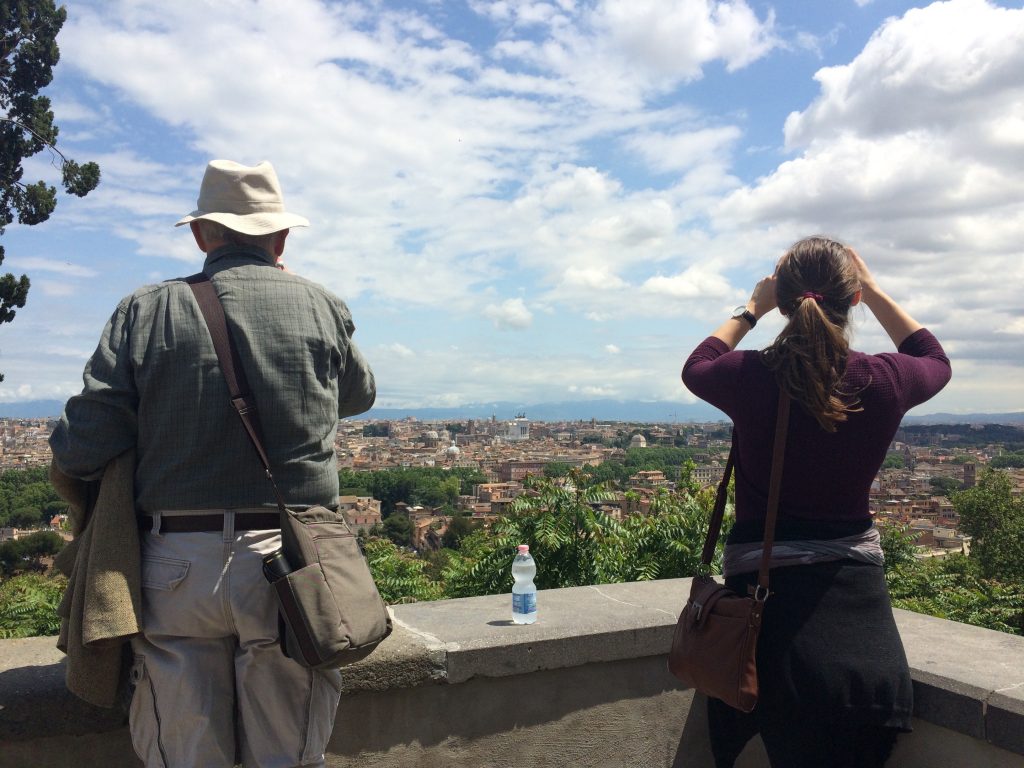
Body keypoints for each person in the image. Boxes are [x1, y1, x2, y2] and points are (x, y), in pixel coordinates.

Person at [49, 159, 376, 768]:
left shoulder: (145, 311)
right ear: (281, 239)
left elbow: (81, 445)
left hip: (175, 562)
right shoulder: (321, 304)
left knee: (184, 750)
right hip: (293, 560)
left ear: (202, 235)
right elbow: (358, 395)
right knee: (288, 751)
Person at [681, 237, 951, 768]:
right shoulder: (884, 379)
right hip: (863, 647)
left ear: (783, 300)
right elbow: (933, 358)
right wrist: (873, 290)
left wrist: (750, 308)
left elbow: (698, 363)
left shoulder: (750, 375)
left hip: (764, 643)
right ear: (850, 300)